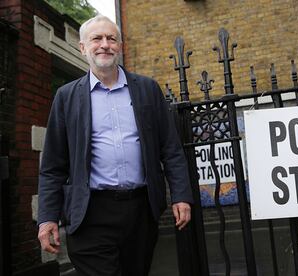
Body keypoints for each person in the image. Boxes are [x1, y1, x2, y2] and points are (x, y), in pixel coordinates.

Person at [37, 15, 193, 276]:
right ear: (83, 47)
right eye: (96, 39)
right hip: (89, 213)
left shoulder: (147, 89)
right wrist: (47, 217)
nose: (105, 45)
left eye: (111, 39)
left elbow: (171, 149)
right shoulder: (66, 97)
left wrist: (181, 195)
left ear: (120, 46)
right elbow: (53, 166)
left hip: (140, 211)